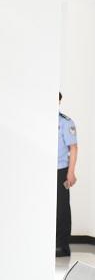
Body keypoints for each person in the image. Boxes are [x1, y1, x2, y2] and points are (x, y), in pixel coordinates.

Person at [57, 92, 78, 258]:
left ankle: (62, 245)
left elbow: (73, 147)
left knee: (62, 207)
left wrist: (70, 172)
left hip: (60, 170)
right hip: (42, 172)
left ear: (59, 101)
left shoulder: (65, 122)